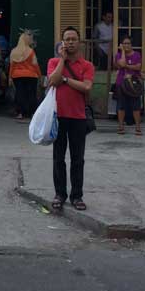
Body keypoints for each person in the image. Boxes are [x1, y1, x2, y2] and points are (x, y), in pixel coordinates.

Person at [47, 26, 94, 212]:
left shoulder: (87, 65)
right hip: (58, 117)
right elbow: (53, 81)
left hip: (78, 117)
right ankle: (59, 194)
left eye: (74, 39)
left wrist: (66, 80)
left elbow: (87, 87)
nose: (70, 42)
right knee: (58, 158)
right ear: (62, 42)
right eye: (67, 39)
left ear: (80, 42)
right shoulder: (53, 62)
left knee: (78, 159)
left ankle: (77, 196)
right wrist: (62, 61)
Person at [9, 31, 41, 122]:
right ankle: (32, 113)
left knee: (19, 93)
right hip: (31, 75)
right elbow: (35, 64)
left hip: (17, 75)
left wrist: (10, 77)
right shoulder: (31, 51)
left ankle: (20, 113)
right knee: (31, 94)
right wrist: (39, 75)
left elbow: (12, 65)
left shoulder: (14, 51)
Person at [114, 35, 143, 135]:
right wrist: (122, 51)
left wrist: (127, 66)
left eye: (128, 43)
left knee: (136, 106)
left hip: (134, 84)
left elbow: (138, 67)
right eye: (124, 43)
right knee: (121, 105)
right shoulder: (118, 55)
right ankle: (121, 126)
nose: (126, 45)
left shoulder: (137, 55)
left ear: (131, 45)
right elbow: (121, 64)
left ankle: (138, 127)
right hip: (121, 83)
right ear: (121, 45)